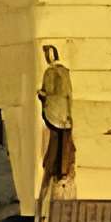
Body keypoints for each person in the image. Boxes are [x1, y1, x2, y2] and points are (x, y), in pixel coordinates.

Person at [39, 43, 76, 186]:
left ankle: (52, 168)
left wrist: (41, 95)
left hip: (54, 112)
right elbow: (69, 94)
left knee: (55, 139)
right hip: (65, 113)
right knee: (63, 141)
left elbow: (47, 91)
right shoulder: (65, 72)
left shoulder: (49, 73)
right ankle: (62, 170)